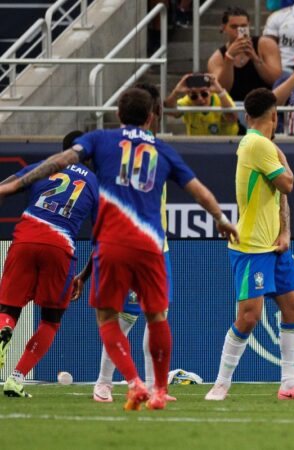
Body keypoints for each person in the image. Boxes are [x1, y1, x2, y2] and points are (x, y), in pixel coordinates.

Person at [0, 88, 238, 410]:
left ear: (117, 114)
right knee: (157, 317)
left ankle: (130, 382)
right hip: (151, 244)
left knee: (107, 317)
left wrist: (15, 185)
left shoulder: (100, 140)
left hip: (101, 242)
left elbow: (61, 161)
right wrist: (222, 219)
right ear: (152, 116)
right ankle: (157, 390)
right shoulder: (161, 152)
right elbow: (198, 190)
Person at [205, 88, 294, 401]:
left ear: (247, 116)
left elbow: (279, 195)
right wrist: (284, 158)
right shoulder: (258, 144)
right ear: (275, 116)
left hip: (273, 246)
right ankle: (221, 383)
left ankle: (290, 383)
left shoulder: (261, 145)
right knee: (248, 316)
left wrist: (285, 233)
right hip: (251, 247)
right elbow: (288, 183)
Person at [70, 83, 176, 403]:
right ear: (150, 114)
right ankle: (104, 382)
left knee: (157, 317)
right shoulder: (119, 156)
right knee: (125, 317)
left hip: (158, 247)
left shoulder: (157, 152)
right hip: (130, 243)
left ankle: (154, 386)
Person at [0, 131, 99, 398]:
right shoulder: (95, 184)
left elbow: (6, 185)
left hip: (27, 234)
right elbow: (103, 238)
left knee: (9, 307)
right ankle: (16, 378)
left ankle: (4, 328)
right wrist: (84, 276)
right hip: (60, 245)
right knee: (51, 320)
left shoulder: (44, 167)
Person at [208, 7, 282, 102]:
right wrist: (229, 58)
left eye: (243, 26)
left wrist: (255, 58)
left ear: (248, 25)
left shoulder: (265, 44)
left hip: (264, 104)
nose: (239, 31)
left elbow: (276, 81)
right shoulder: (217, 58)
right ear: (224, 27)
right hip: (234, 107)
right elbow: (222, 90)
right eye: (234, 27)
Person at [164, 73, 239, 136]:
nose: (200, 99)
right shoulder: (187, 101)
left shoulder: (221, 98)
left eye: (204, 94)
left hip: (225, 145)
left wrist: (220, 91)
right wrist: (176, 91)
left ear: (211, 92)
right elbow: (170, 111)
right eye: (194, 96)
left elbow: (232, 118)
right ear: (187, 95)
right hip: (197, 146)